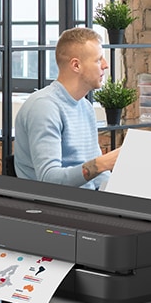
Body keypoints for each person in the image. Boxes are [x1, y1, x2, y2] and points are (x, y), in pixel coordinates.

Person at [14, 27, 119, 189]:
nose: (105, 66)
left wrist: (121, 193)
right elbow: (49, 179)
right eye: (99, 60)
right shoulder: (44, 107)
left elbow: (99, 176)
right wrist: (102, 163)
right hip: (52, 205)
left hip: (86, 203)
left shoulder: (85, 106)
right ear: (76, 65)